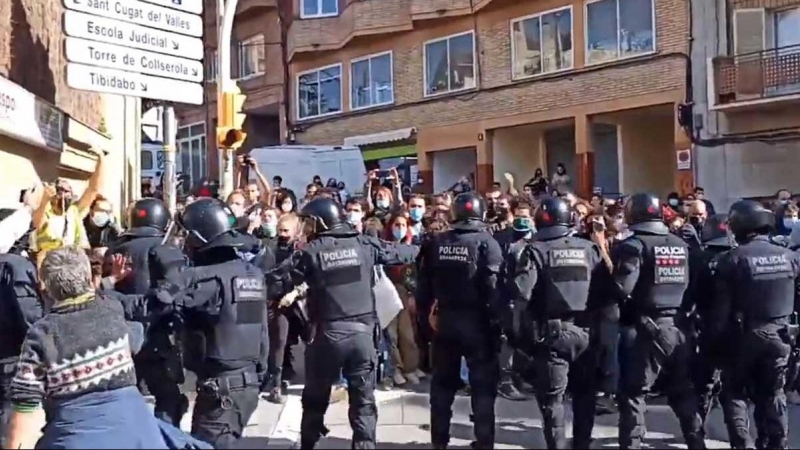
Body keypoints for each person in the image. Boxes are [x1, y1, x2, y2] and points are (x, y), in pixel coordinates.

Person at [265, 197, 418, 449]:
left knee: (315, 399)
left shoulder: (310, 252)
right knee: (364, 404)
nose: (306, 228)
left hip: (328, 337)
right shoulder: (365, 244)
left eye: (309, 223)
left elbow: (275, 281)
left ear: (321, 222)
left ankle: (309, 443)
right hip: (363, 337)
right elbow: (402, 252)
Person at [5, 247, 168, 449]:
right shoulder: (111, 309)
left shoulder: (41, 335)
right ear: (88, 278)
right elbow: (133, 337)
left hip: (75, 437)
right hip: (137, 433)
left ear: (46, 288)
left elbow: (25, 406)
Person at [152, 198, 268, 449]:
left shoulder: (208, 279)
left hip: (223, 390)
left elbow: (163, 300)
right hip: (243, 382)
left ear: (199, 238)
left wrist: (168, 267)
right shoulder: (250, 274)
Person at [509, 196, 604, 449]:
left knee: (553, 401)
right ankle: (582, 444)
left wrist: (519, 338)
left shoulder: (534, 251)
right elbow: (606, 292)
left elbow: (520, 296)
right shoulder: (589, 249)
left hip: (551, 335)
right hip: (586, 334)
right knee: (585, 397)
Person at [613, 193, 706, 449]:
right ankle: (697, 442)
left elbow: (622, 288)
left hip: (646, 329)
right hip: (679, 327)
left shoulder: (633, 246)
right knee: (682, 390)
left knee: (634, 394)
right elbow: (697, 285)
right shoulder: (682, 245)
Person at [416, 192, 505, 449]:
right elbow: (494, 290)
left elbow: (423, 289)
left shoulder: (437, 243)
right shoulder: (488, 244)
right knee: (483, 389)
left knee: (442, 388)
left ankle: (439, 442)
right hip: (479, 324)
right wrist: (498, 324)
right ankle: (484, 442)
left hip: (445, 322)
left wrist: (426, 321)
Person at [713, 200, 800, 449]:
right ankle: (776, 443)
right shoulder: (789, 257)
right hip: (782, 335)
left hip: (744, 336)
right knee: (773, 394)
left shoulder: (731, 259)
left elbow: (721, 311)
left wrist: (716, 345)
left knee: (734, 393)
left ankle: (744, 444)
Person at [104, 198, 189, 427]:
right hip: (156, 334)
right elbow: (175, 290)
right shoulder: (164, 248)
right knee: (168, 397)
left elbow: (102, 288)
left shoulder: (115, 248)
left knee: (126, 397)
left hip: (119, 334)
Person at [685, 214, 734, 427]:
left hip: (709, 328)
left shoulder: (699, 258)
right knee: (734, 388)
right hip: (737, 328)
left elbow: (690, 296)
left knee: (703, 384)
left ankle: (696, 433)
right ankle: (740, 437)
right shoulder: (738, 256)